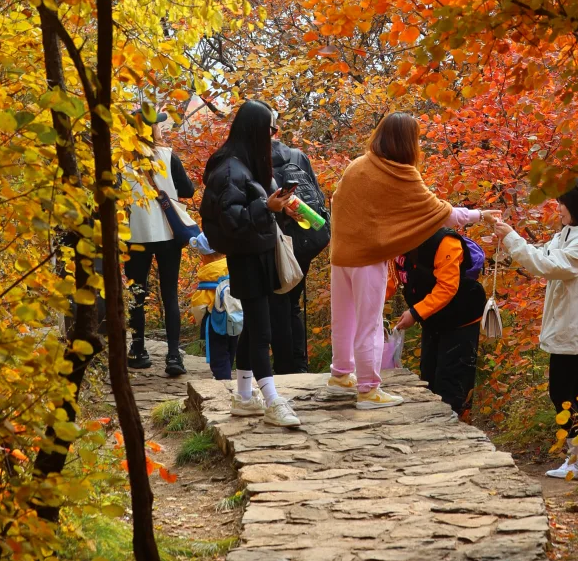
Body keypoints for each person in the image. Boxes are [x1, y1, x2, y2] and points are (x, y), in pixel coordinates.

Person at [329, 111, 496, 410]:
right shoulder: (400, 174)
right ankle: (368, 389)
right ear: (408, 142)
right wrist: (479, 215)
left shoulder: (358, 166)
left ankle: (341, 374)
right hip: (367, 259)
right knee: (367, 323)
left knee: (343, 318)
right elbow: (441, 212)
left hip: (340, 256)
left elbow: (337, 203)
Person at [489, 177, 578, 480]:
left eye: (562, 202)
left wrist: (512, 238)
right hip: (570, 327)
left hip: (575, 330)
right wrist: (510, 240)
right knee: (573, 393)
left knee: (564, 393)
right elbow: (543, 255)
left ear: (577, 205)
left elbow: (548, 266)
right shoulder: (571, 233)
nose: (558, 208)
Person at [200, 100, 301, 428]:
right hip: (246, 259)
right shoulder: (229, 168)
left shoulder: (245, 163)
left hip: (260, 255)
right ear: (256, 130)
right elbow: (232, 221)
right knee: (262, 330)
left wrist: (280, 206)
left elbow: (253, 206)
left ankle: (244, 397)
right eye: (270, 129)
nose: (273, 135)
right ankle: (272, 400)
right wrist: (266, 208)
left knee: (255, 329)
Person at [126, 108, 196, 378]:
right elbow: (188, 190)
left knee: (137, 295)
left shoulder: (121, 160)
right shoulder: (168, 157)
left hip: (136, 237)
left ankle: (138, 350)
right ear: (153, 129)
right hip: (168, 234)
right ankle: (173, 355)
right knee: (170, 295)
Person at [391, 224, 486, 416]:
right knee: (429, 375)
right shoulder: (397, 242)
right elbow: (391, 278)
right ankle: (432, 422)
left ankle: (458, 431)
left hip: (461, 318)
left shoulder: (445, 242)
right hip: (433, 319)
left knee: (451, 382)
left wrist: (416, 313)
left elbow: (447, 287)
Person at [269, 126, 330, 375]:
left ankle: (283, 369)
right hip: (306, 239)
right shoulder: (298, 156)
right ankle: (300, 365)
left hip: (278, 241)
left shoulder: (254, 162)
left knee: (276, 303)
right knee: (293, 304)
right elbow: (318, 195)